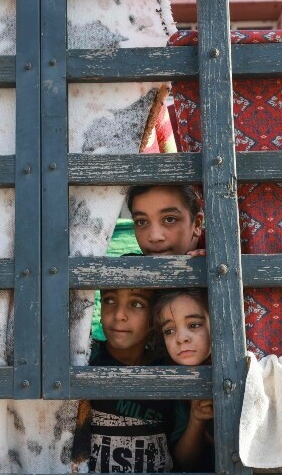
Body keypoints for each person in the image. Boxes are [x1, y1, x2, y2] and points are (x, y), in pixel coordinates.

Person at [72, 285, 187, 473]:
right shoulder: (86, 359)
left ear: (155, 318)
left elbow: (185, 458)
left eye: (136, 304)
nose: (119, 315)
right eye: (109, 301)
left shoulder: (169, 369)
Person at [152, 288, 214, 472]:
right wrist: (196, 418)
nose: (181, 338)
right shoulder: (172, 378)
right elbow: (184, 462)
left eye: (194, 325)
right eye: (169, 330)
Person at [126, 186, 205, 257]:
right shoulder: (129, 266)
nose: (155, 237)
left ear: (197, 224)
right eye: (141, 222)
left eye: (169, 219)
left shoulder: (215, 251)